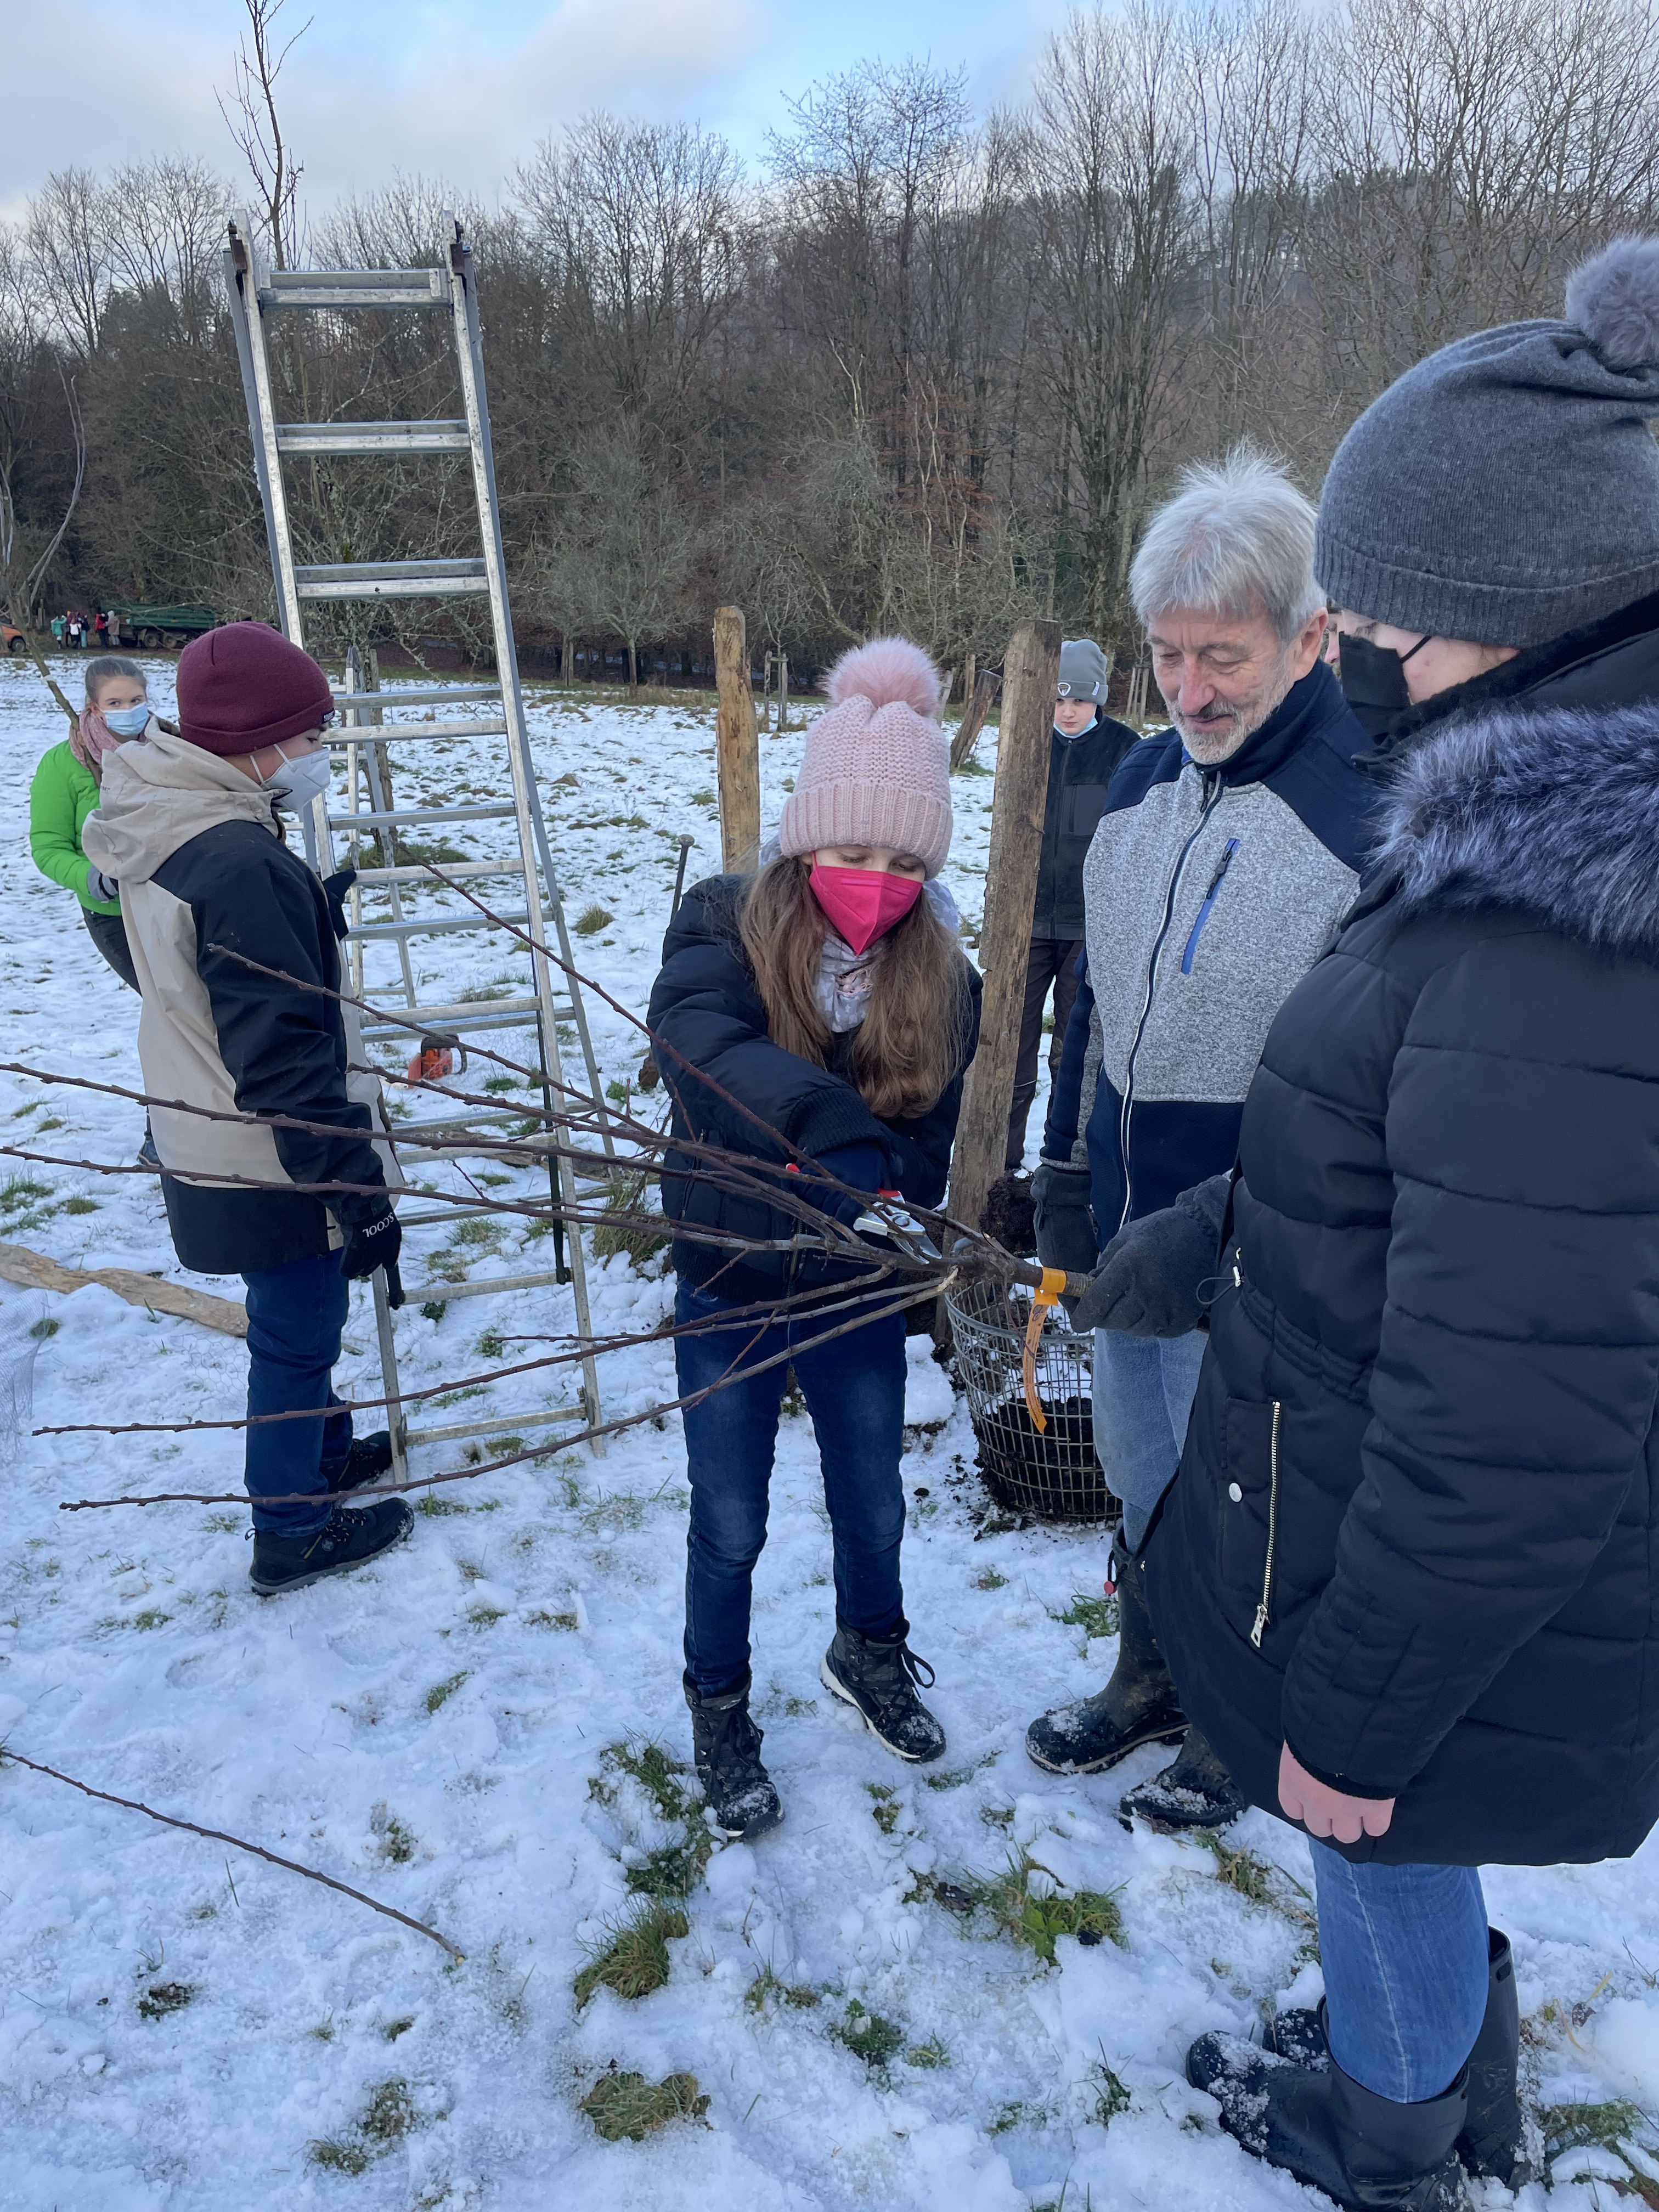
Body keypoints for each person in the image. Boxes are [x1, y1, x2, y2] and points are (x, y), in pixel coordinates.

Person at [1127, 239, 1659, 2211]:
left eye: (1382, 622)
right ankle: (1448, 2069)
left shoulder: (1551, 923)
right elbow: (1420, 1168)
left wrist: (1349, 1704)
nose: (1348, 650)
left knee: (1376, 1823)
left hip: (1408, 1574)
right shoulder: (1508, 835)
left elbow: (1511, 1415)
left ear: (1515, 620)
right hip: (1366, 1503)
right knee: (1400, 1850)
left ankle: (1384, 2138)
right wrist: (1214, 1234)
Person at [1022, 450, 1376, 1831]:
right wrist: (1067, 1179)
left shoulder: (1365, 817)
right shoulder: (1139, 793)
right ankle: (1152, 1673)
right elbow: (1097, 1010)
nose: (1190, 690)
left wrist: (1228, 1227)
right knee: (1143, 1470)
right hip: (1126, 1217)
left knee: (1249, 1502)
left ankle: (1238, 1722)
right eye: (1167, 656)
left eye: (1222, 656)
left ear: (1312, 638)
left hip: (1269, 1255)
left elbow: (1367, 1093)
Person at [648, 636, 981, 1841]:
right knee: (729, 1516)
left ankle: (870, 1650)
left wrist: (887, 1209)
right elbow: (700, 1053)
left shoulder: (945, 976)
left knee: (873, 1499)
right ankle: (719, 1703)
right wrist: (832, 1137)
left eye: (904, 862)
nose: (874, 880)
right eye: (849, 852)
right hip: (731, 1278)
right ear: (801, 842)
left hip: (851, 1292)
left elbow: (927, 1146)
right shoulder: (721, 930)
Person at [82, 622, 413, 1598]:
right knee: (297, 1328)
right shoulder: (237, 860)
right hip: (266, 1149)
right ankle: (290, 1528)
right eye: (310, 738)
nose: (317, 757)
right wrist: (358, 1188)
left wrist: (307, 913)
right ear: (260, 740)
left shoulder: (160, 808)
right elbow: (280, 1063)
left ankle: (320, 1453)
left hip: (200, 1117)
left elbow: (187, 963)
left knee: (292, 1320)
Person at [1000, 639, 1138, 1182]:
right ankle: (1000, 1161)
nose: (1067, 710)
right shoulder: (1027, 746)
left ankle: (1064, 1169)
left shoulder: (1126, 751)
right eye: (1059, 699)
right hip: (1026, 925)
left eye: (1079, 699)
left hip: (1091, 928)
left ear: (1098, 698)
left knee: (1072, 1053)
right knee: (1011, 1046)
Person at [29, 656, 156, 992]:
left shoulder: (169, 746)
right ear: (95, 707)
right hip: (115, 914)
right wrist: (93, 878)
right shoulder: (62, 764)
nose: (127, 709)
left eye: (135, 701)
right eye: (115, 703)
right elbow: (48, 847)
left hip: (177, 902)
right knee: (168, 1008)